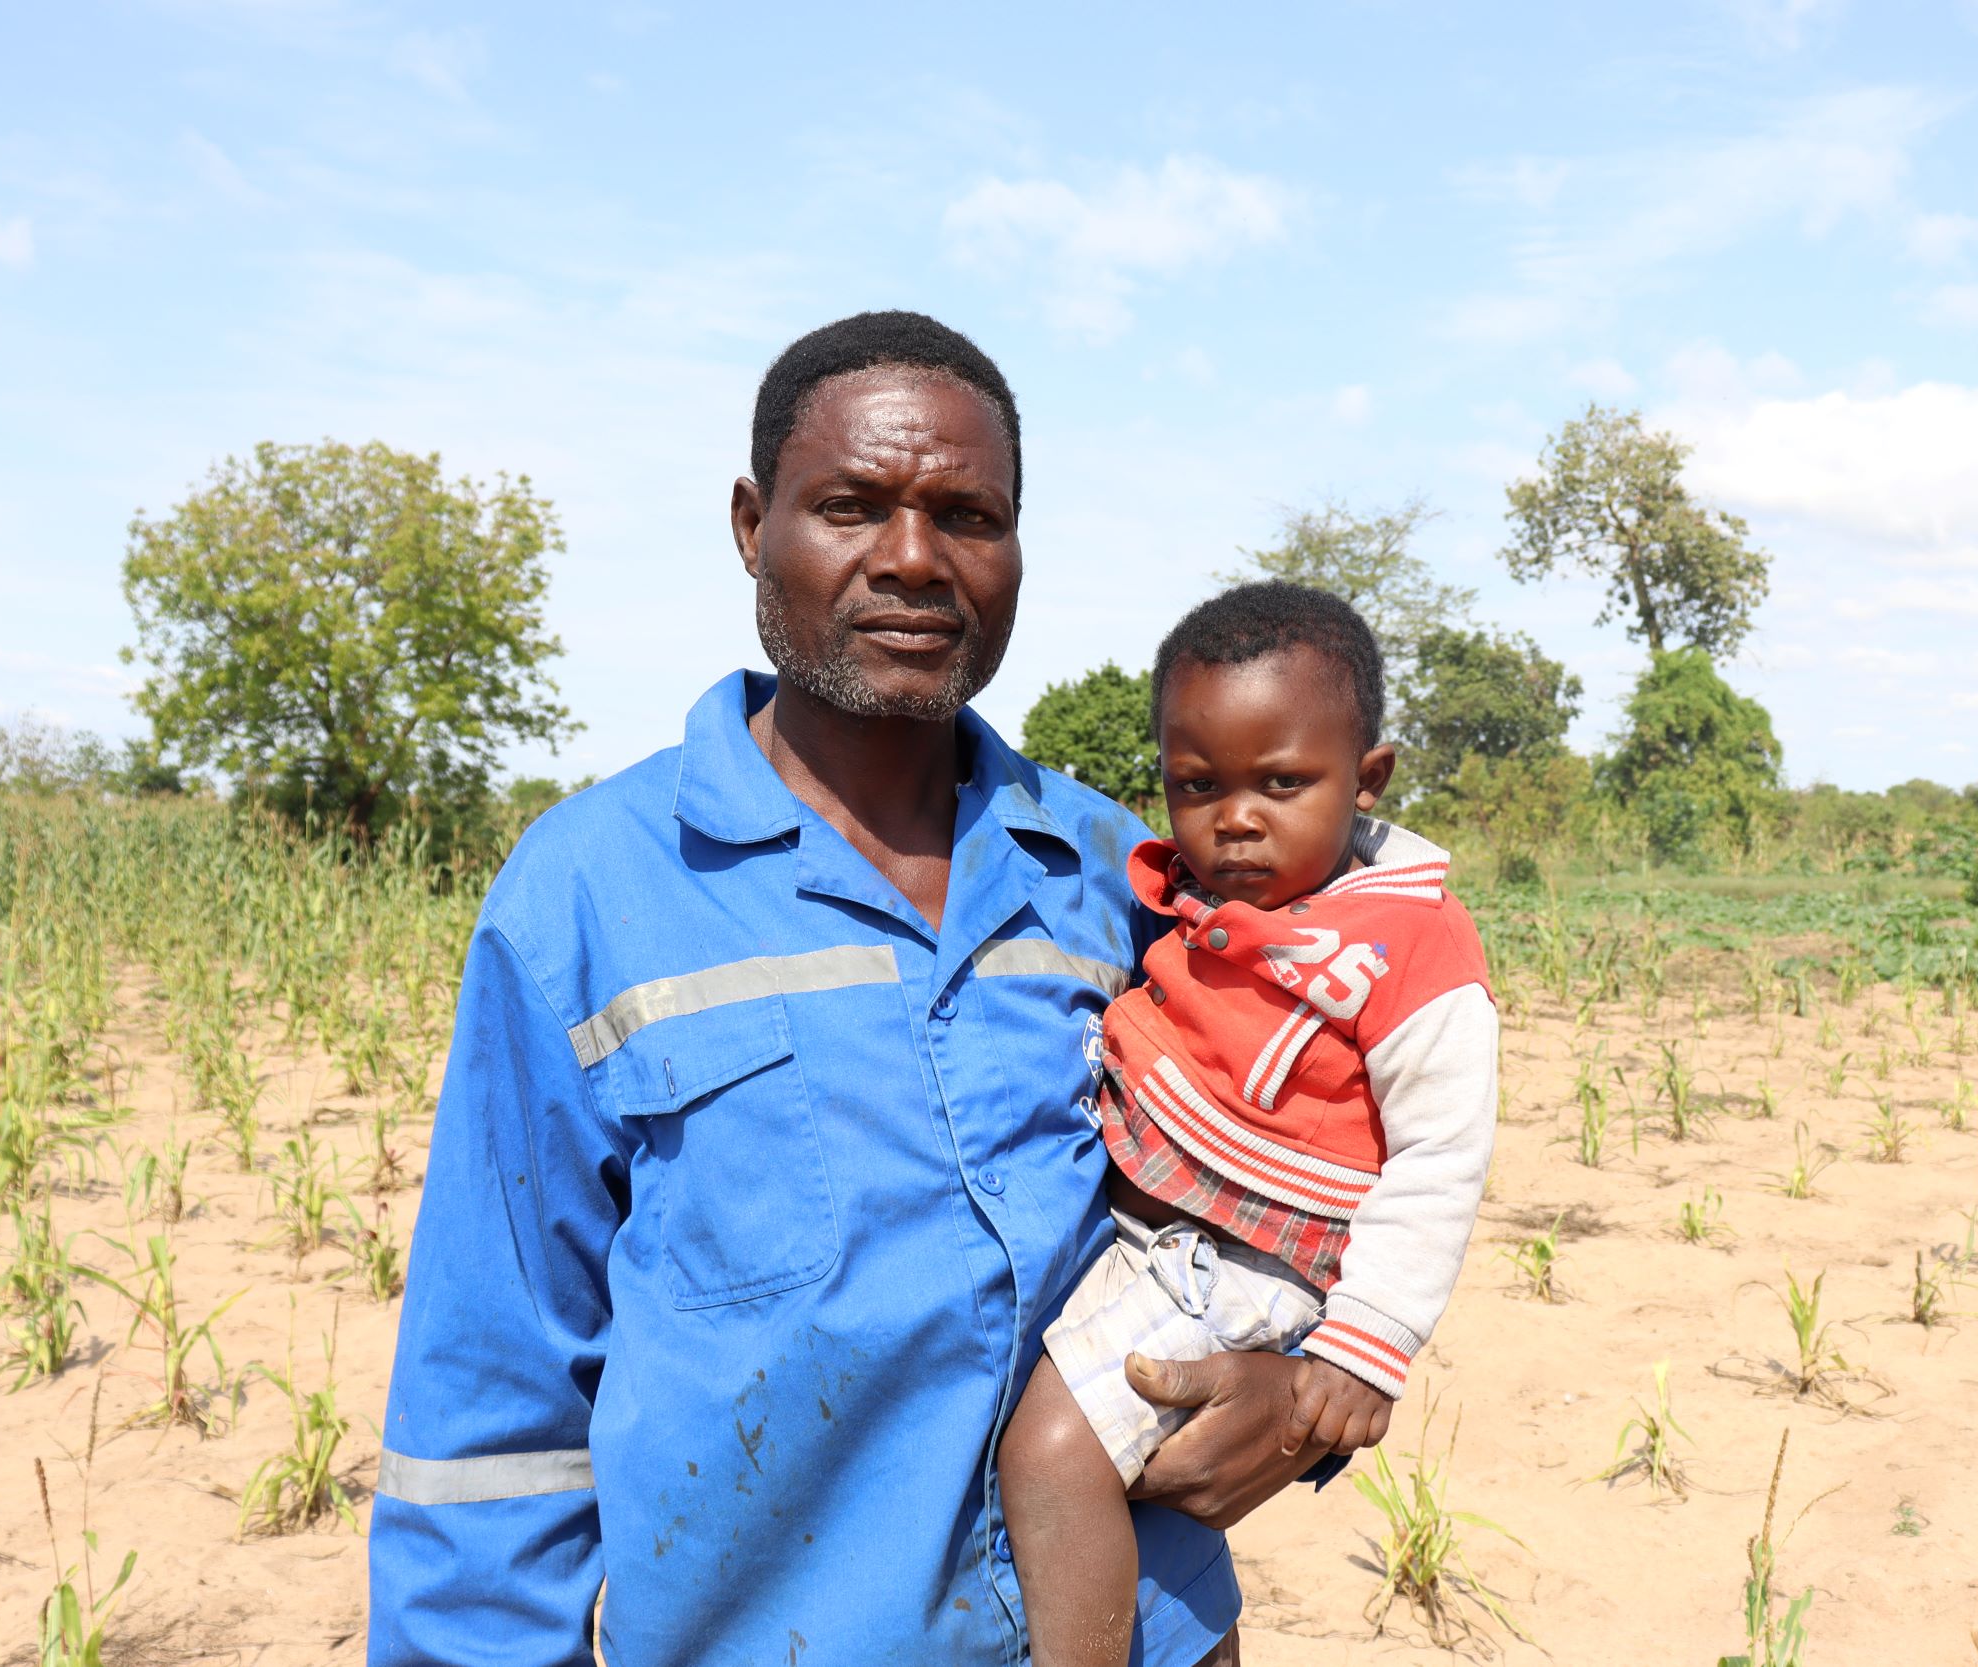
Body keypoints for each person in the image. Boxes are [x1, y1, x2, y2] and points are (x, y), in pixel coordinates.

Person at [368, 312, 1331, 1666]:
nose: (915, 559)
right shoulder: (588, 894)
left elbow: (1333, 1134)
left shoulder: (1125, 873)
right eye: (852, 506)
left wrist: (1304, 1396)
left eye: (968, 514)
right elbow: (495, 1399)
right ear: (752, 523)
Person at [997, 583, 1501, 1666]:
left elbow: (1440, 1156)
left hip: (1239, 1258)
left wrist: (1363, 1352)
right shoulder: (1189, 900)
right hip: (1161, 1247)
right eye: (1197, 784)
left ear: (1367, 778)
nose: (1235, 817)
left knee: (1048, 1452)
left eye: (1283, 783)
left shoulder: (1405, 944)